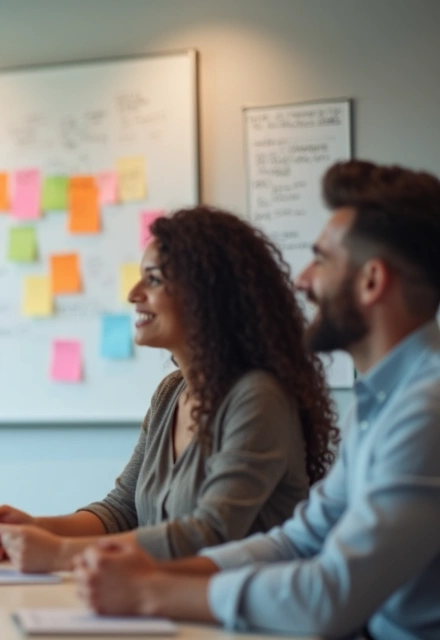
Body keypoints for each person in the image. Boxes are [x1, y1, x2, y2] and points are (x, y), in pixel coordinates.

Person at [74, 160, 440, 639]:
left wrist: (149, 592)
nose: (303, 280)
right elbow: (299, 540)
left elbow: (329, 597)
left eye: (322, 260)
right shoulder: (380, 404)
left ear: (371, 282)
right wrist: (151, 571)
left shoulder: (425, 411)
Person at [0, 207, 339, 573]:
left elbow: (210, 534)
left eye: (154, 279)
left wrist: (62, 554)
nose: (133, 293)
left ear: (207, 294)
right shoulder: (171, 393)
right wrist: (33, 529)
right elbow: (123, 510)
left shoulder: (258, 397)